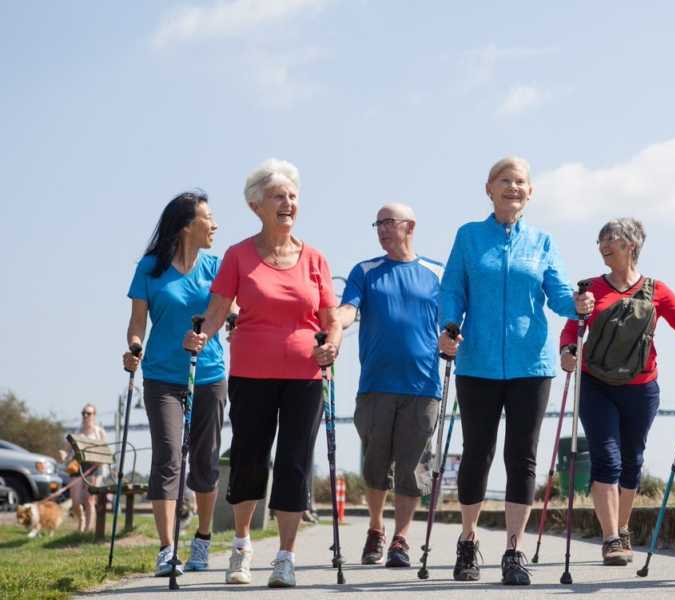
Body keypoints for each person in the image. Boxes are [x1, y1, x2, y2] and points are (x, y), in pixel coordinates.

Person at [183, 158, 342, 589]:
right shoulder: (237, 255)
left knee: (293, 464)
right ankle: (241, 546)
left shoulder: (315, 259)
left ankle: (285, 557)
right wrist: (200, 335)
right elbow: (216, 311)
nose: (287, 203)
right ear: (256, 205)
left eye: (292, 196)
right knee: (250, 458)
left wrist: (332, 344)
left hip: (305, 376)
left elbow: (331, 318)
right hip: (251, 374)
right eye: (278, 196)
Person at [438, 156, 594, 586]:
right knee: (477, 453)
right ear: (488, 188)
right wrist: (448, 327)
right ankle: (468, 541)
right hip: (478, 363)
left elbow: (559, 295)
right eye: (504, 180)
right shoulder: (469, 237)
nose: (513, 187)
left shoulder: (542, 241)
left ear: (531, 191)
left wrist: (578, 304)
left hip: (531, 363)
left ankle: (513, 549)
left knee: (522, 457)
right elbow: (452, 289)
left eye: (520, 181)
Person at [559, 218, 675, 566]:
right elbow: (571, 330)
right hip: (595, 384)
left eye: (611, 240)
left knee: (632, 461)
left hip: (641, 388)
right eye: (600, 240)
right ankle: (610, 539)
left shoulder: (657, 290)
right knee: (608, 458)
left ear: (631, 245)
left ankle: (621, 528)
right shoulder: (589, 289)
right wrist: (567, 353)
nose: (603, 245)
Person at [123, 191, 227, 577]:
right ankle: (167, 549)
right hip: (162, 376)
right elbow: (138, 323)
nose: (215, 225)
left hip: (209, 373)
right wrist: (134, 346)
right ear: (187, 225)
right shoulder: (150, 268)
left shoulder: (217, 266)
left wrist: (222, 323)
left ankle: (201, 539)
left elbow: (229, 308)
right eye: (208, 217)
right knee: (167, 457)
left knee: (204, 458)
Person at [337, 203, 444, 568]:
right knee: (374, 465)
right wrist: (337, 322)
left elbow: (453, 320)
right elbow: (348, 308)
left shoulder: (436, 272)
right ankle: (375, 529)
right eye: (377, 223)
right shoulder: (365, 271)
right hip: (376, 384)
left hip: (423, 385)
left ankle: (400, 539)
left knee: (413, 468)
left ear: (409, 226)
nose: (381, 229)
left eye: (388, 222)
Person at [60, 403, 108, 533]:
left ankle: (87, 531)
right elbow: (68, 451)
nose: (85, 416)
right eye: (83, 413)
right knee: (75, 502)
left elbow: (105, 453)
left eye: (89, 413)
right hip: (77, 467)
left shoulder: (100, 432)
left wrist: (99, 462)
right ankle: (81, 520)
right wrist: (64, 456)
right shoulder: (77, 432)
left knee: (89, 500)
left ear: (94, 415)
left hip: (94, 468)